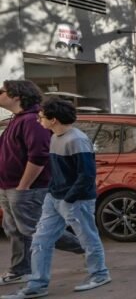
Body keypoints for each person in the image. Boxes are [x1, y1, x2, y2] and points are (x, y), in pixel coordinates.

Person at [3, 98, 110, 298]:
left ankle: (100, 274)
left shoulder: (76, 139)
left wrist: (68, 199)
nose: (38, 120)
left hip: (76, 200)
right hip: (54, 199)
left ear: (53, 120)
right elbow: (57, 172)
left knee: (88, 238)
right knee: (40, 241)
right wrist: (52, 194)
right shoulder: (55, 137)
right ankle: (37, 285)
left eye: (41, 117)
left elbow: (86, 175)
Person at [0, 81, 83, 288]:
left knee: (36, 230)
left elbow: (39, 155)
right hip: (10, 186)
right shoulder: (18, 119)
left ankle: (87, 247)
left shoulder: (31, 120)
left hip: (26, 188)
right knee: (14, 230)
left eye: (2, 91)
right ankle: (20, 270)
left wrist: (23, 186)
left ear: (16, 96)